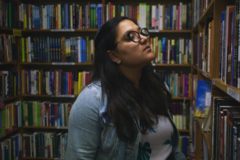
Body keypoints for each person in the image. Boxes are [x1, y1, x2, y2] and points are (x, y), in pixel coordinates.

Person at [65, 16, 186, 160]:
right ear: (114, 56)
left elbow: (170, 148)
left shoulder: (158, 87)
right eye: (130, 37)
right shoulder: (91, 102)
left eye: (140, 32)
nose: (143, 38)